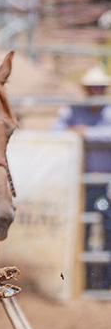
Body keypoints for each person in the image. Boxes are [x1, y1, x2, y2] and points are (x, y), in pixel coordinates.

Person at [52, 64, 111, 290]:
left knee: (108, 230)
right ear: (86, 89)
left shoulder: (106, 111)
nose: (95, 90)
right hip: (82, 185)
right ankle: (84, 281)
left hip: (106, 182)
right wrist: (73, 132)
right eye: (91, 87)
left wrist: (85, 133)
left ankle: (105, 281)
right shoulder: (74, 110)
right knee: (80, 230)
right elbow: (54, 132)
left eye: (99, 86)